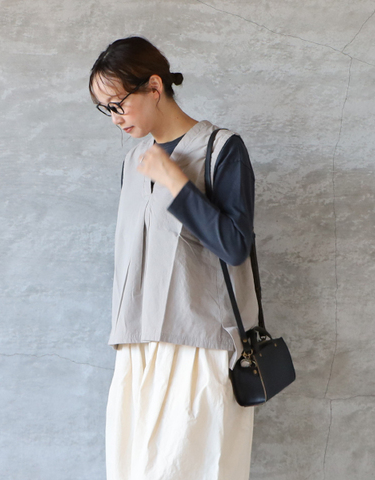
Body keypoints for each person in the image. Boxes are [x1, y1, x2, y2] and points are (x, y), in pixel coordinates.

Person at [89, 36, 259, 480]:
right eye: (105, 109)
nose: (115, 118)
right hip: (137, 349)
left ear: (154, 87)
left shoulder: (222, 149)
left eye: (118, 104)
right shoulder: (133, 162)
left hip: (198, 348)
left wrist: (176, 183)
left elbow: (234, 246)